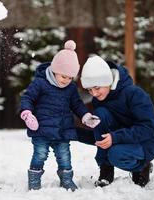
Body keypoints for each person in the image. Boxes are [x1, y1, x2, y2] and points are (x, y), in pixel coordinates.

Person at [20, 40, 100, 191]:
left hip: (63, 130)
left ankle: (66, 180)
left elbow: (77, 104)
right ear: (55, 70)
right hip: (41, 129)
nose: (67, 80)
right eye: (64, 76)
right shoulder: (40, 83)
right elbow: (27, 98)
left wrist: (85, 116)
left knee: (64, 157)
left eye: (71, 78)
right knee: (40, 155)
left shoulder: (70, 88)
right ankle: (34, 180)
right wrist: (27, 114)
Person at [80, 55, 154, 187]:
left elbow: (148, 128)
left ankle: (141, 166)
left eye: (97, 88)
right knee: (100, 115)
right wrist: (71, 133)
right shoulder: (98, 100)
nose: (94, 94)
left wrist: (115, 137)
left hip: (147, 140)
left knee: (116, 154)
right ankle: (106, 170)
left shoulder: (135, 94)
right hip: (121, 137)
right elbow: (101, 137)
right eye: (89, 90)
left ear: (107, 80)